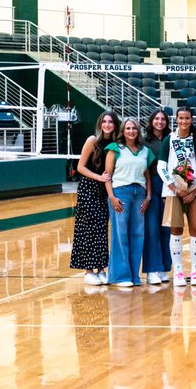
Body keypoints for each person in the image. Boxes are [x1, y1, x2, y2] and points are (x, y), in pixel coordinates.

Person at [157, 106, 196, 287]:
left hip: (195, 192)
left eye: (187, 118)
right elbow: (161, 166)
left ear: (191, 120)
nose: (184, 121)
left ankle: (195, 271)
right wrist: (174, 187)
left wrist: (194, 190)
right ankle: (178, 271)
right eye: (181, 118)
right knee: (176, 230)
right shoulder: (169, 139)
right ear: (176, 119)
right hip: (173, 192)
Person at [71, 111, 120, 285]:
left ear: (115, 125)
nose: (107, 125)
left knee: (101, 229)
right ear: (100, 124)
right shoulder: (92, 140)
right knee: (88, 229)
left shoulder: (117, 145)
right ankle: (88, 271)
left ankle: (100, 270)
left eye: (110, 122)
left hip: (105, 189)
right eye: (104, 121)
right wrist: (98, 177)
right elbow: (80, 167)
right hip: (89, 187)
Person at [103, 118, 153, 287]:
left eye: (134, 128)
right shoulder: (115, 148)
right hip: (120, 193)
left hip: (139, 194)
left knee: (138, 234)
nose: (131, 131)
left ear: (138, 131)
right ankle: (120, 276)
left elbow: (147, 176)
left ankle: (134, 276)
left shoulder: (145, 151)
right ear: (123, 131)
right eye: (128, 128)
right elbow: (107, 175)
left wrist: (148, 197)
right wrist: (111, 197)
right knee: (120, 234)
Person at [142, 109, 172, 285]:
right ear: (151, 121)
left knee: (166, 228)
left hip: (169, 186)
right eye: (157, 118)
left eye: (163, 119)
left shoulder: (171, 139)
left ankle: (163, 268)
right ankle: (151, 269)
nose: (160, 122)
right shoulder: (144, 141)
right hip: (151, 184)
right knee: (151, 228)